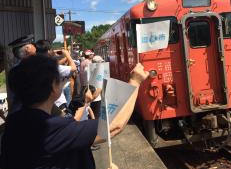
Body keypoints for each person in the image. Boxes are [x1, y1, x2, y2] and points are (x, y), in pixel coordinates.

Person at [0, 55, 149, 169]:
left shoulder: (15, 120)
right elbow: (113, 125)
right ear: (53, 87)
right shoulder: (50, 128)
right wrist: (135, 81)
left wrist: (80, 111)